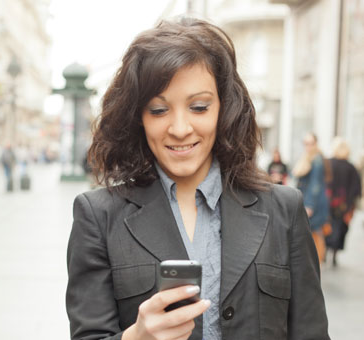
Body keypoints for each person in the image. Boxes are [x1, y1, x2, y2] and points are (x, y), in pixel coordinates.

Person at [66, 18, 329, 340]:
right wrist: (137, 337)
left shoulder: (283, 209)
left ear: (224, 108)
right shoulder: (98, 215)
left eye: (199, 107)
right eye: (158, 110)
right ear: (137, 118)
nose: (180, 128)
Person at [292, 132, 330, 263]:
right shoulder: (307, 158)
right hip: (310, 200)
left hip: (314, 202)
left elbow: (315, 184)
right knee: (312, 231)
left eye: (310, 143)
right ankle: (314, 261)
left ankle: (317, 261)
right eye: (305, 143)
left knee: (314, 231)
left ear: (315, 144)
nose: (308, 146)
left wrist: (310, 205)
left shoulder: (316, 160)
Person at [325, 137, 362, 267]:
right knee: (340, 228)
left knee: (328, 225)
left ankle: (326, 251)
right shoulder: (351, 167)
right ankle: (334, 253)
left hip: (329, 202)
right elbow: (356, 188)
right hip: (344, 204)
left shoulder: (328, 163)